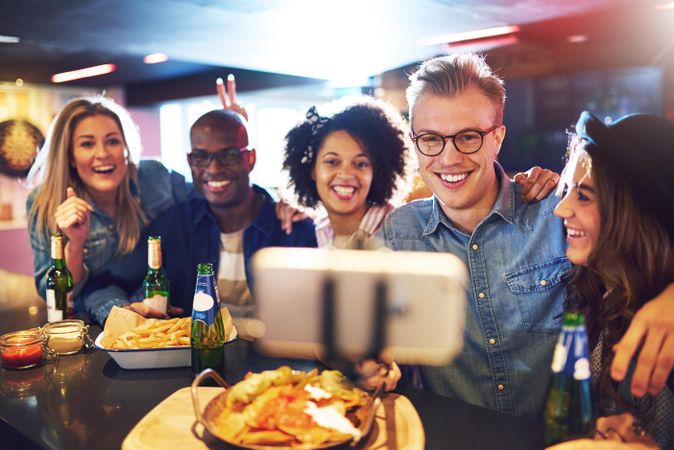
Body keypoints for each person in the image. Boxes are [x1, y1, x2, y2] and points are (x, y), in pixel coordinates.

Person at [380, 53, 674, 419]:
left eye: (468, 137)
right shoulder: (396, 233)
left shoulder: (555, 214)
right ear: (414, 141)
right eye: (430, 138)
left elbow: (649, 235)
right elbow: (355, 332)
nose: (449, 157)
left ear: (498, 138)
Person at [82, 108, 317, 324]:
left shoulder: (291, 228)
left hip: (276, 365)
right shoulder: (176, 223)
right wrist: (121, 311)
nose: (213, 169)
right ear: (190, 161)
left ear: (251, 159)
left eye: (229, 155)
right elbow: (103, 284)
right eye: (201, 157)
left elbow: (315, 317)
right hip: (191, 362)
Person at [547, 112, 674, 450]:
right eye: (568, 190)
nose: (560, 210)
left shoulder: (667, 318)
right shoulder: (598, 287)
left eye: (584, 196)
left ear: (632, 212)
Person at [26, 96, 189, 322]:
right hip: (101, 313)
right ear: (70, 156)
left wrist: (229, 137)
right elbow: (54, 294)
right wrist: (75, 244)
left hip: (166, 301)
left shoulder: (152, 177)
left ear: (125, 147)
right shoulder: (44, 202)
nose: (102, 153)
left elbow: (202, 201)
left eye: (112, 141)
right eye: (87, 143)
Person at [282, 97, 409, 248]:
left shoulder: (402, 229)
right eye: (332, 162)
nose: (346, 174)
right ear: (312, 170)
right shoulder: (319, 229)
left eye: (360, 164)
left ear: (376, 171)